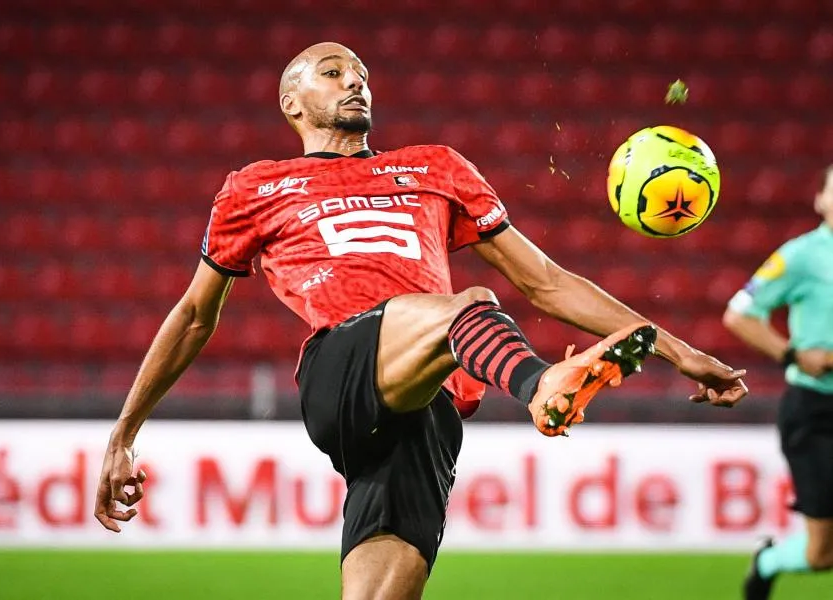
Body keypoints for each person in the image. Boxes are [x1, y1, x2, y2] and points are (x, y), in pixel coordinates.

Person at [94, 42, 748, 600]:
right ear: (291, 102)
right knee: (468, 308)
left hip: (427, 408)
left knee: (384, 584)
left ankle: (536, 382)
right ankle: (542, 384)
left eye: (362, 74)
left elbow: (545, 281)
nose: (355, 80)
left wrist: (678, 349)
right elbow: (193, 316)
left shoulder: (437, 168)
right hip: (341, 372)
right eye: (332, 71)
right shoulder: (255, 187)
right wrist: (124, 433)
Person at [726, 165, 833, 600]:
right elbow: (740, 314)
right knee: (823, 553)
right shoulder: (802, 255)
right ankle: (767, 560)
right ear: (821, 200)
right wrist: (793, 354)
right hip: (817, 411)